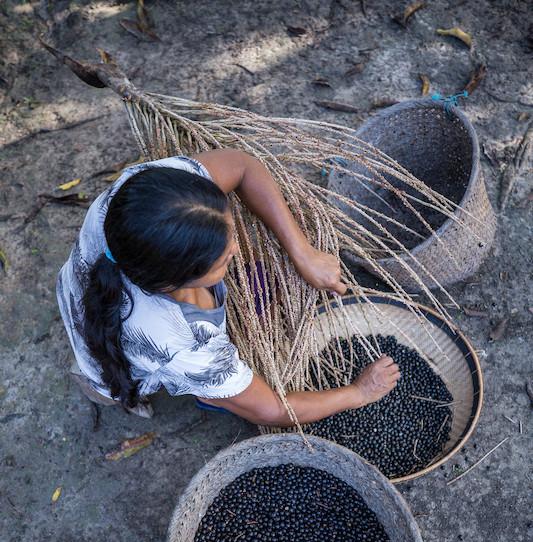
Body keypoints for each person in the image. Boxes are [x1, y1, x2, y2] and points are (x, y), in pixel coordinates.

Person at [57, 149, 400, 424]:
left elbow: (242, 165)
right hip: (115, 341)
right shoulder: (183, 345)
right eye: (222, 261)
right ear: (172, 283)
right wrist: (359, 393)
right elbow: (275, 410)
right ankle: (110, 389)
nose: (236, 250)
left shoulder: (143, 196)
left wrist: (303, 252)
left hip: (80, 289)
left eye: (230, 234)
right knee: (109, 377)